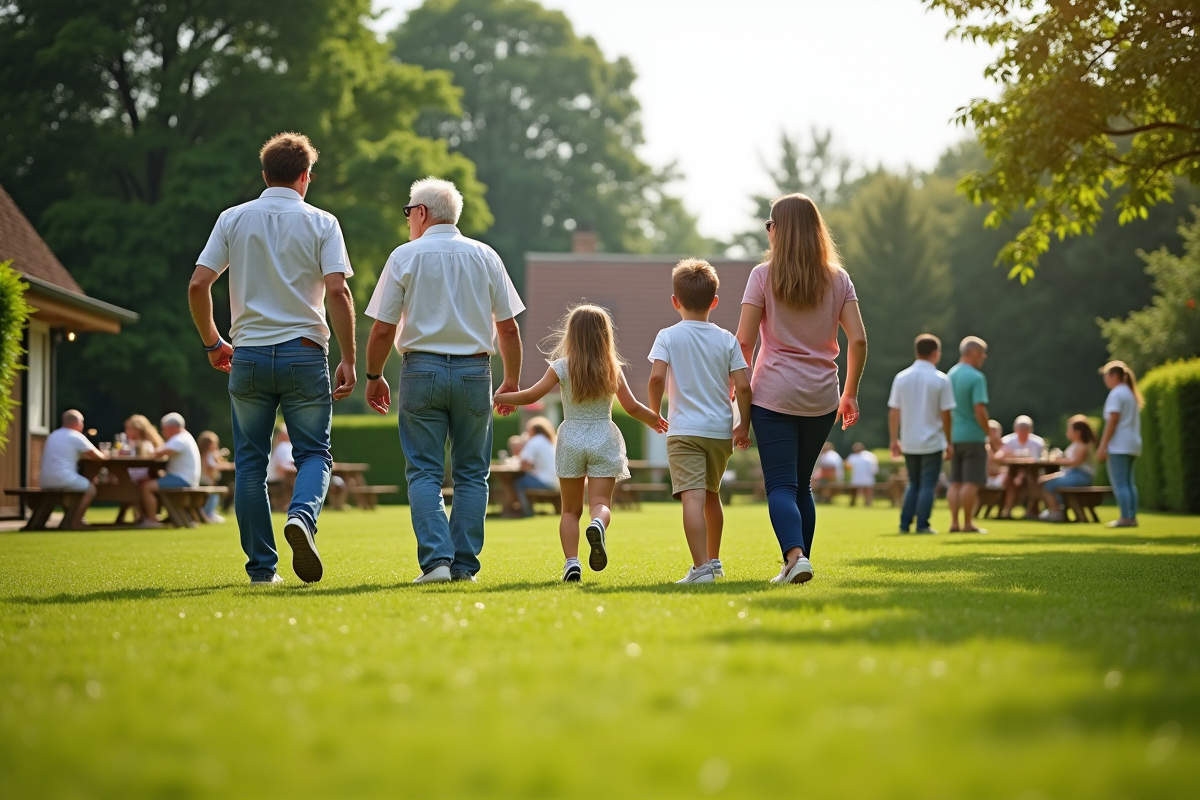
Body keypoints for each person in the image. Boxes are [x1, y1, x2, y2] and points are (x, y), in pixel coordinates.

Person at [189, 131, 357, 585]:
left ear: (265, 175)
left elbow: (198, 285)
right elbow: (338, 291)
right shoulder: (323, 223)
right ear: (305, 177)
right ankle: (301, 517)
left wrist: (212, 342)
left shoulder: (233, 219)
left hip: (247, 355)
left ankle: (262, 570)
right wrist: (349, 358)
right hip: (305, 353)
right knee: (314, 455)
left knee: (249, 463)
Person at [363, 177, 523, 584]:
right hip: (475, 371)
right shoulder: (487, 256)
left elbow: (382, 330)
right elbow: (508, 330)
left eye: (408, 213)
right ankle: (464, 567)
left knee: (424, 472)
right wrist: (511, 382)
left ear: (421, 213)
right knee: (473, 473)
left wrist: (374, 375)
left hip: (421, 369)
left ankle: (436, 562)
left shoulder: (405, 256)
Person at [735, 193, 867, 585]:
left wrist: (735, 386)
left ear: (779, 229)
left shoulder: (763, 275)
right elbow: (858, 340)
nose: (768, 231)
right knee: (802, 483)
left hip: (774, 394)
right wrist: (851, 393)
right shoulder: (838, 278)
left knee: (780, 484)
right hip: (822, 396)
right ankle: (798, 561)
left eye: (769, 225)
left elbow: (744, 341)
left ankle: (795, 557)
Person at [495, 304, 667, 582]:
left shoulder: (561, 367)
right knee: (600, 502)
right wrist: (655, 419)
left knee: (569, 510)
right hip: (603, 435)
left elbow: (530, 396)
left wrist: (498, 398)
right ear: (605, 336)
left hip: (571, 437)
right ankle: (598, 523)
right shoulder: (613, 369)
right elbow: (633, 407)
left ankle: (572, 563)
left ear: (571, 335)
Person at [646, 259, 752, 584]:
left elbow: (655, 380)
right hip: (719, 431)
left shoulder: (667, 336)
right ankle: (714, 561)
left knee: (691, 497)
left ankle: (701, 568)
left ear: (675, 302)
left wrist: (654, 412)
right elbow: (744, 386)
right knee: (711, 495)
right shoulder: (727, 339)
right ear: (714, 302)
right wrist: (743, 425)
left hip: (684, 431)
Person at [888, 333, 955, 533]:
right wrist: (949, 442)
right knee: (928, 484)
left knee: (914, 483)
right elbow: (946, 415)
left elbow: (894, 411)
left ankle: (904, 523)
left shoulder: (901, 377)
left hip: (909, 439)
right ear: (936, 353)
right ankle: (922, 524)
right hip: (933, 440)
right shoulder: (941, 379)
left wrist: (894, 439)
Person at [947, 336, 1003, 533]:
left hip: (953, 436)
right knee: (971, 482)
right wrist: (991, 435)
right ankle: (968, 523)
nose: (984, 357)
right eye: (982, 353)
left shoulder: (950, 374)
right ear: (972, 353)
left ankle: (954, 523)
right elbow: (979, 409)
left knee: (955, 482)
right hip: (972, 436)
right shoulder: (977, 377)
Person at [39, 410, 107, 528]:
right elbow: (99, 457)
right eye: (82, 422)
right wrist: (105, 452)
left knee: (80, 485)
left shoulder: (53, 435)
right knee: (90, 489)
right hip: (63, 479)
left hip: (44, 480)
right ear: (77, 423)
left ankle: (70, 518)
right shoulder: (76, 436)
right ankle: (76, 521)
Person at [1096, 360, 1143, 528]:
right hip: (1133, 443)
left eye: (1106, 377)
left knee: (1120, 483)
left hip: (1120, 444)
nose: (1105, 381)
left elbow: (1113, 420)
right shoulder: (1130, 393)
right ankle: (1131, 516)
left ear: (1113, 376)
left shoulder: (1116, 394)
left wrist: (1103, 445)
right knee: (1129, 483)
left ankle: (1125, 517)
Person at [138, 413, 201, 528]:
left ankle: (152, 520)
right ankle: (151, 516)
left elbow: (158, 454)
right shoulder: (185, 437)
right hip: (187, 478)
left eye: (164, 429)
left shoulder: (179, 439)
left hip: (182, 479)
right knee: (153, 481)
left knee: (146, 486)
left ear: (172, 428)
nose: (163, 432)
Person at [1038, 415, 1096, 521]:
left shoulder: (1083, 445)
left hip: (1080, 476)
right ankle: (1055, 510)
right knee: (1043, 480)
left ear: (1077, 432)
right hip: (1071, 474)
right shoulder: (1075, 445)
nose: (1067, 432)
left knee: (1048, 484)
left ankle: (1056, 512)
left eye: (1069, 429)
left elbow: (1075, 462)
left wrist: (1059, 460)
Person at [996, 414, 1047, 519]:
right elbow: (999, 457)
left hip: (1032, 471)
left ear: (1030, 430)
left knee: (1034, 481)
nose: (1023, 432)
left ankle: (1032, 511)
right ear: (1015, 429)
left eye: (1025, 429)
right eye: (1021, 429)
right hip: (1011, 472)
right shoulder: (1008, 440)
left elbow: (1043, 458)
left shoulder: (1038, 442)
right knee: (1010, 481)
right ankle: (1007, 511)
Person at [514, 417, 558, 517]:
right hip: (557, 481)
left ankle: (525, 512)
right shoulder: (549, 442)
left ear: (532, 431)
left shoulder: (534, 442)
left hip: (545, 481)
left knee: (518, 482)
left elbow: (524, 464)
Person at [196, 431, 226, 524]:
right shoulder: (206, 454)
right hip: (205, 481)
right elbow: (210, 466)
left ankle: (209, 513)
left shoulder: (208, 454)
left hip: (207, 481)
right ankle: (209, 513)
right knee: (212, 496)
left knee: (213, 496)